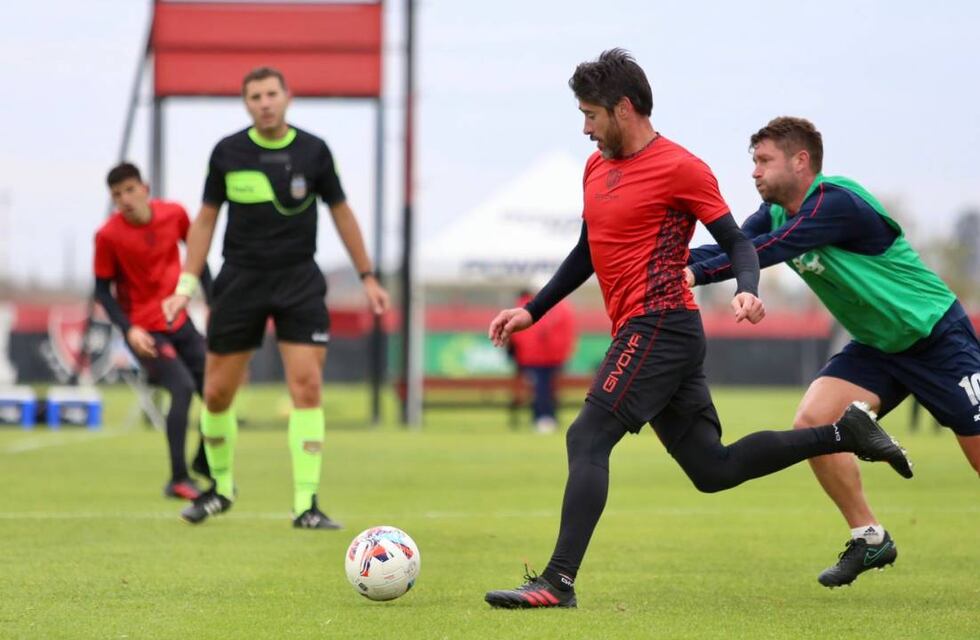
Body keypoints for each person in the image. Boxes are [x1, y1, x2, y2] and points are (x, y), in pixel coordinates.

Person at [482, 49, 912, 610]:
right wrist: (533, 310)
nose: (585, 128)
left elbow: (737, 241)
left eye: (591, 114)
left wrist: (748, 288)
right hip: (652, 331)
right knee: (714, 469)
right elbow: (588, 249)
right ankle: (844, 435)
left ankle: (556, 582)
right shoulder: (595, 169)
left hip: (660, 323)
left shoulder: (681, 167)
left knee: (587, 436)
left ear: (624, 108)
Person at [686, 116, 980, 587]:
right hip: (880, 347)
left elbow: (771, 249)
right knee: (814, 421)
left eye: (764, 161)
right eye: (753, 162)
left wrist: (696, 276)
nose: (754, 172)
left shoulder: (835, 203)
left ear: (801, 161)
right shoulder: (776, 212)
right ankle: (870, 538)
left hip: (936, 337)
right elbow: (739, 247)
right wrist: (666, 262)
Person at [162, 67, 389, 529]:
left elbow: (342, 213)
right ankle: (220, 488)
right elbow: (204, 221)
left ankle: (305, 503)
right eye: (254, 96)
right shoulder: (227, 152)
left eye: (271, 94)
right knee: (217, 392)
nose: (264, 102)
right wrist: (185, 285)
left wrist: (368, 275)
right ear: (245, 104)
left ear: (287, 97)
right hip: (240, 280)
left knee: (306, 388)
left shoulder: (314, 151)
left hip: (299, 281)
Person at [94, 162, 211, 500]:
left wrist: (215, 303)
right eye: (117, 195)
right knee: (183, 388)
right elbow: (102, 291)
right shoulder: (108, 236)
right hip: (146, 333)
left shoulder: (174, 214)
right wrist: (129, 330)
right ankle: (178, 477)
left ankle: (203, 461)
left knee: (218, 392)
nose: (125, 199)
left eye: (129, 190)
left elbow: (198, 257)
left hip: (180, 321)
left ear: (144, 188)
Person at [509, 288, 577, 433]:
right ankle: (548, 417)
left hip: (533, 358)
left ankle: (542, 418)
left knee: (540, 389)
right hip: (553, 357)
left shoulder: (526, 306)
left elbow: (520, 335)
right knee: (547, 388)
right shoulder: (561, 307)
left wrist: (519, 355)